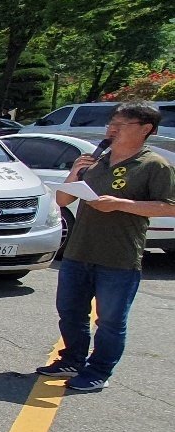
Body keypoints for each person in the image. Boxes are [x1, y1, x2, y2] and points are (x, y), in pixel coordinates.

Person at [38, 102, 175, 392]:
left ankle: (98, 371)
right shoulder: (97, 159)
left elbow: (169, 207)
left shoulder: (154, 165)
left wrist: (122, 205)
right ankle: (71, 359)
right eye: (112, 122)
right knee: (70, 311)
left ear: (145, 129)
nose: (112, 129)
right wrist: (75, 173)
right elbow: (63, 201)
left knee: (110, 320)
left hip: (119, 256)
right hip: (79, 251)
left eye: (121, 124)